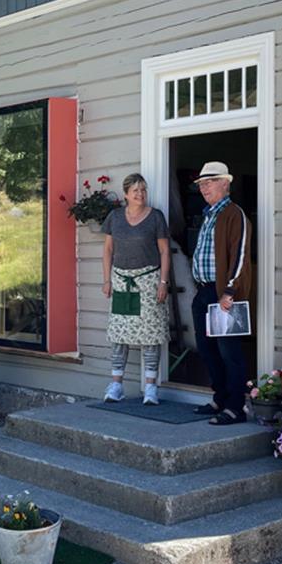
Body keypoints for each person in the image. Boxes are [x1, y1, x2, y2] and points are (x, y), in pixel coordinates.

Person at [189, 161, 254, 425]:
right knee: (207, 350)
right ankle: (220, 397)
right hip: (204, 292)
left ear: (225, 183)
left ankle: (235, 407)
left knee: (230, 353)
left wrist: (230, 290)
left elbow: (240, 256)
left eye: (210, 182)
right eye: (202, 184)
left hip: (224, 296)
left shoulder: (233, 214)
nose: (204, 187)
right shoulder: (208, 214)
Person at [101, 173, 171, 405]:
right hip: (121, 281)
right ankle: (116, 385)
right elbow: (108, 251)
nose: (140, 194)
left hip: (149, 280)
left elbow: (164, 252)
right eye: (136, 191)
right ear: (126, 195)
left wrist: (163, 282)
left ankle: (151, 388)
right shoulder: (115, 217)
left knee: (150, 335)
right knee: (120, 335)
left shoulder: (156, 217)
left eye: (143, 190)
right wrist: (107, 280)